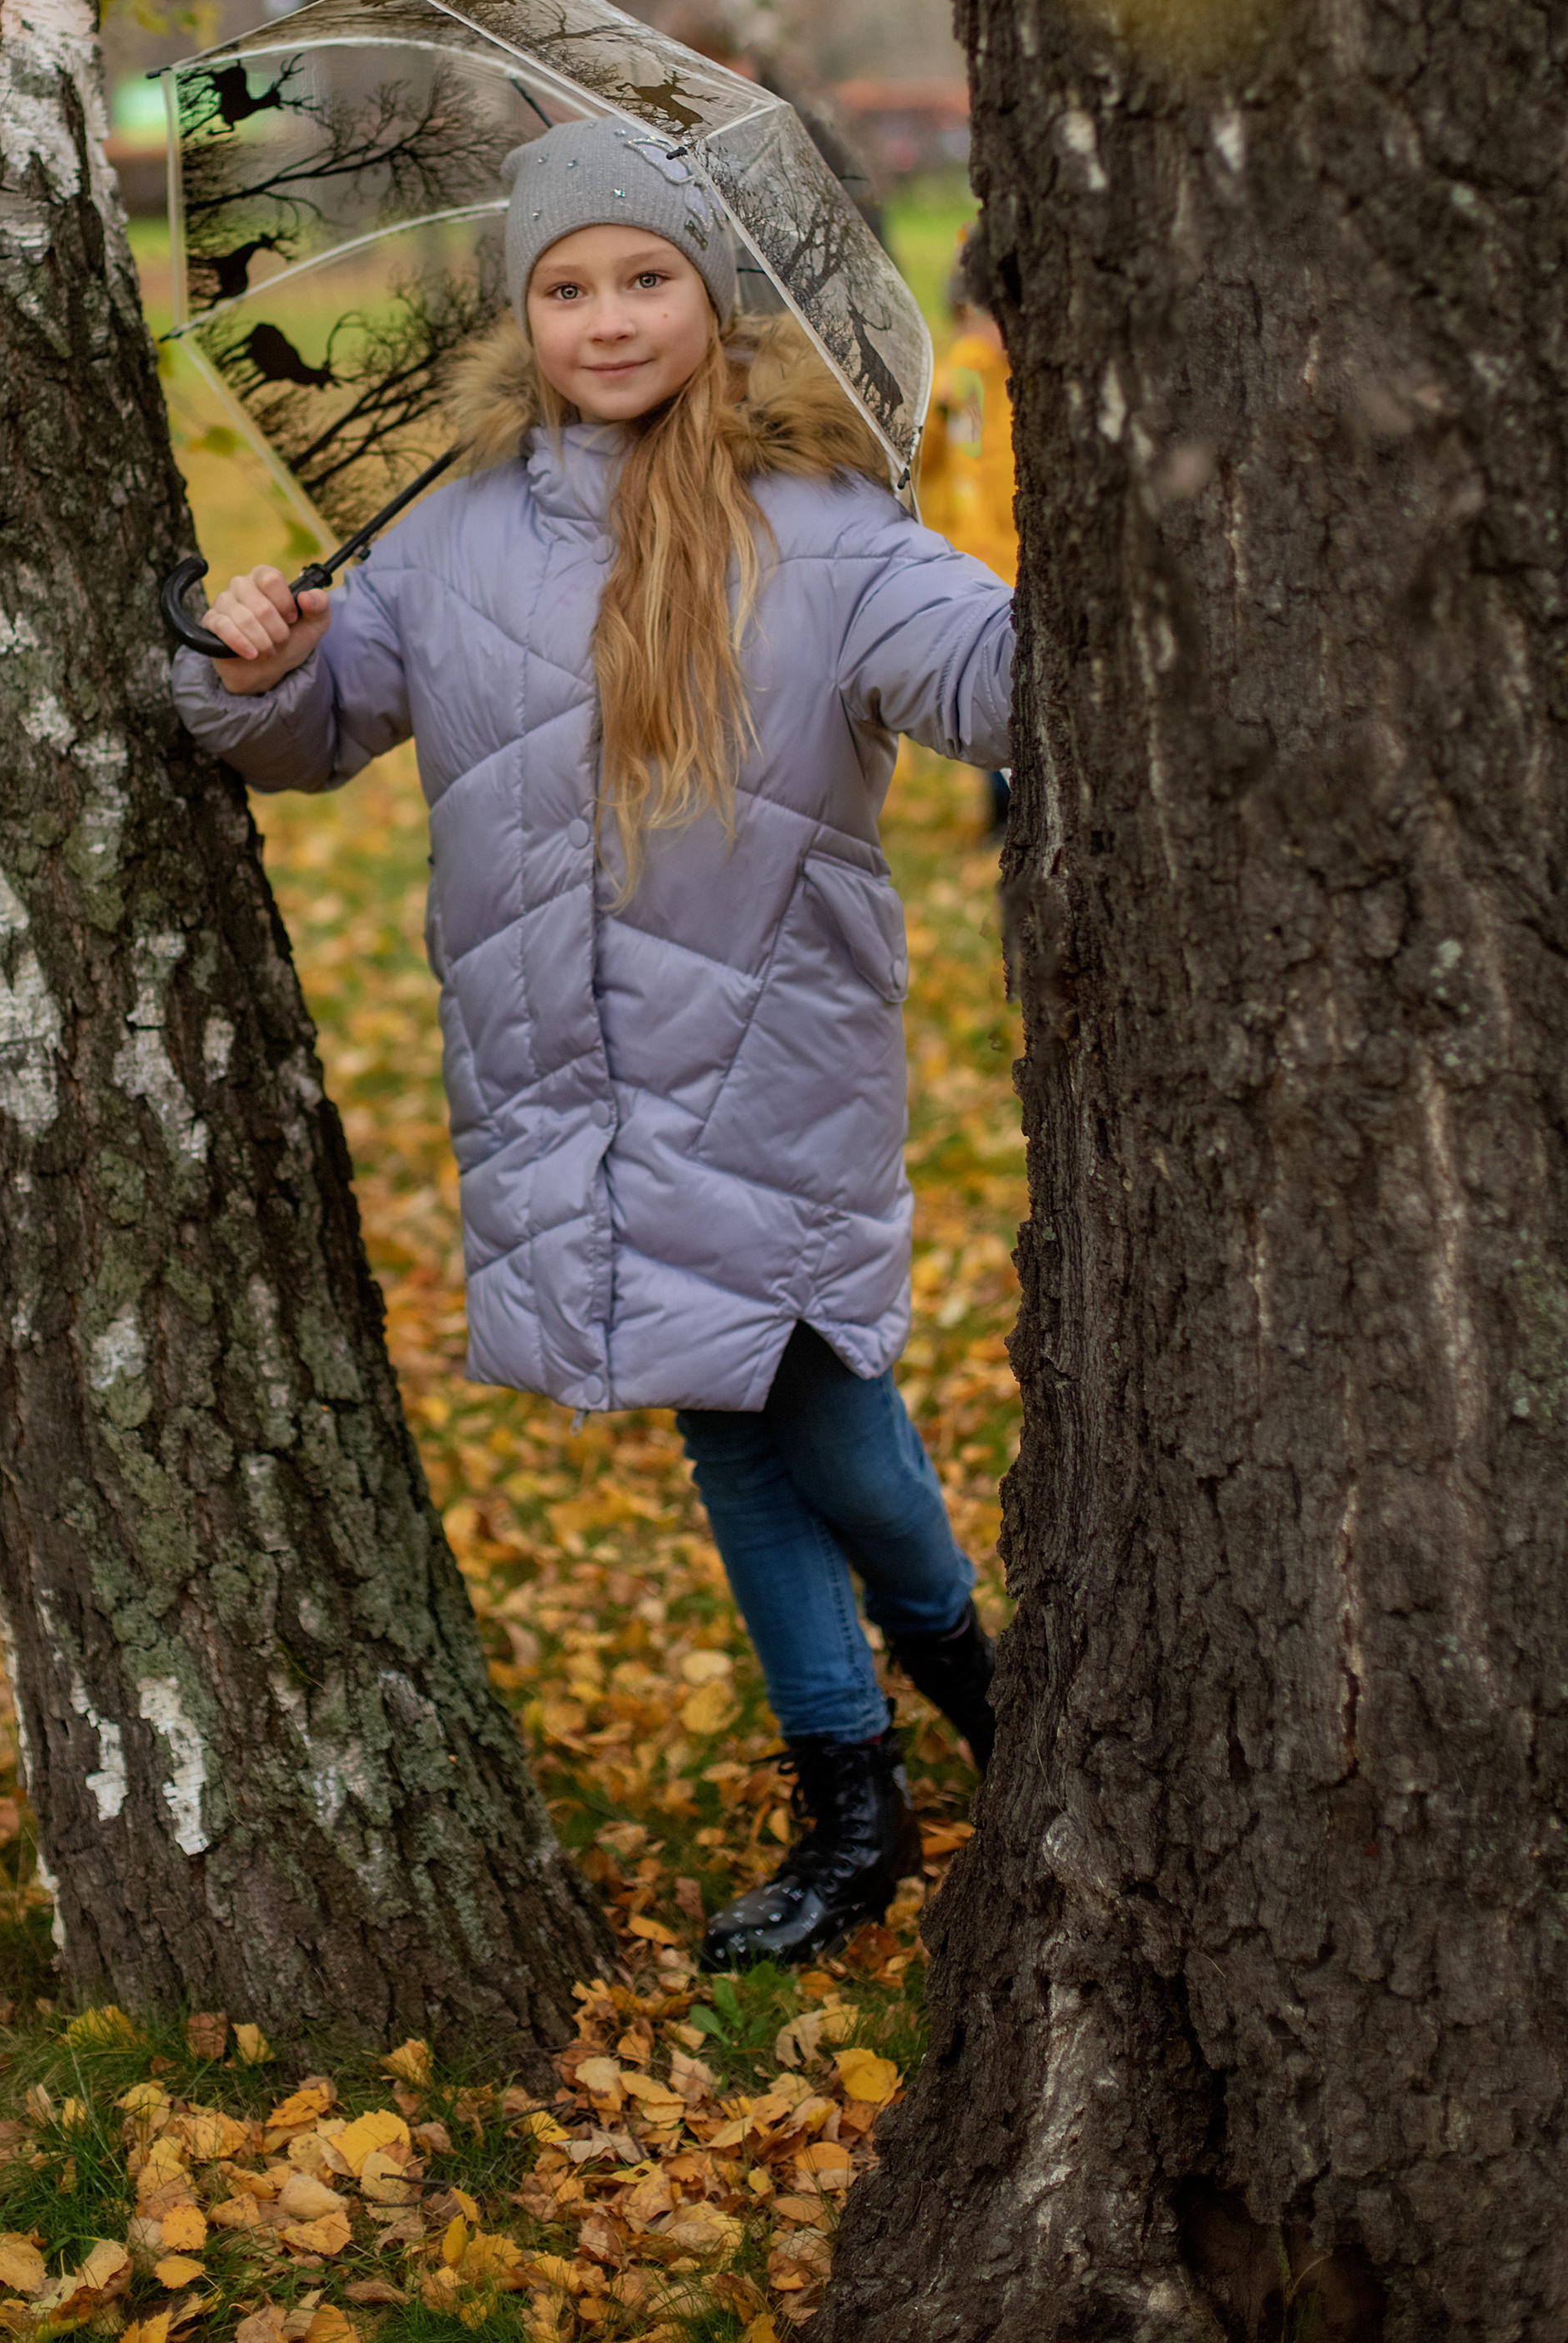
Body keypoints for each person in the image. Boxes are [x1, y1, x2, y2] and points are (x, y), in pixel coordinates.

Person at [170, 115, 1014, 1971]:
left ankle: (988, 1695)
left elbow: (980, 673)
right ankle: (849, 1793)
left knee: (827, 1411)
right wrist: (247, 663)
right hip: (564, 1067)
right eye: (567, 286)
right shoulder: (443, 533)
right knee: (726, 1420)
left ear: (715, 296)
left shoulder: (824, 527)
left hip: (767, 1050)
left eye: (646, 278)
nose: (608, 319)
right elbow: (319, 723)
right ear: (518, 312)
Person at [918, 257, 1016, 833]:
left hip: (1011, 546)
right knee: (997, 683)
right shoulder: (969, 376)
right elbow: (961, 461)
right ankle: (1002, 804)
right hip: (984, 557)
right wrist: (944, 408)